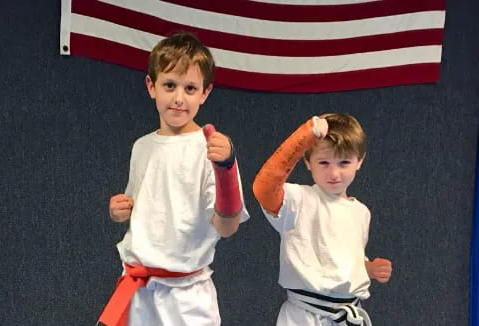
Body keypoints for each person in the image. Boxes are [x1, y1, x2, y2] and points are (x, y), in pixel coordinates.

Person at [97, 31, 250, 326]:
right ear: (151, 86)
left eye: (190, 88)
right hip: (139, 290)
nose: (179, 98)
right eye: (169, 85)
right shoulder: (141, 147)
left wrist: (227, 168)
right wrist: (120, 211)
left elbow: (227, 226)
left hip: (187, 299)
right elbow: (141, 211)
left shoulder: (211, 149)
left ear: (205, 93)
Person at [252, 113, 392, 326]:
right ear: (308, 162)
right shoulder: (298, 200)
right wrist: (303, 137)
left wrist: (369, 268)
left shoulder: (361, 212)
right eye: (324, 162)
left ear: (359, 161)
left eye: (344, 162)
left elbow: (344, 258)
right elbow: (264, 187)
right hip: (305, 316)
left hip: (349, 315)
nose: (334, 173)